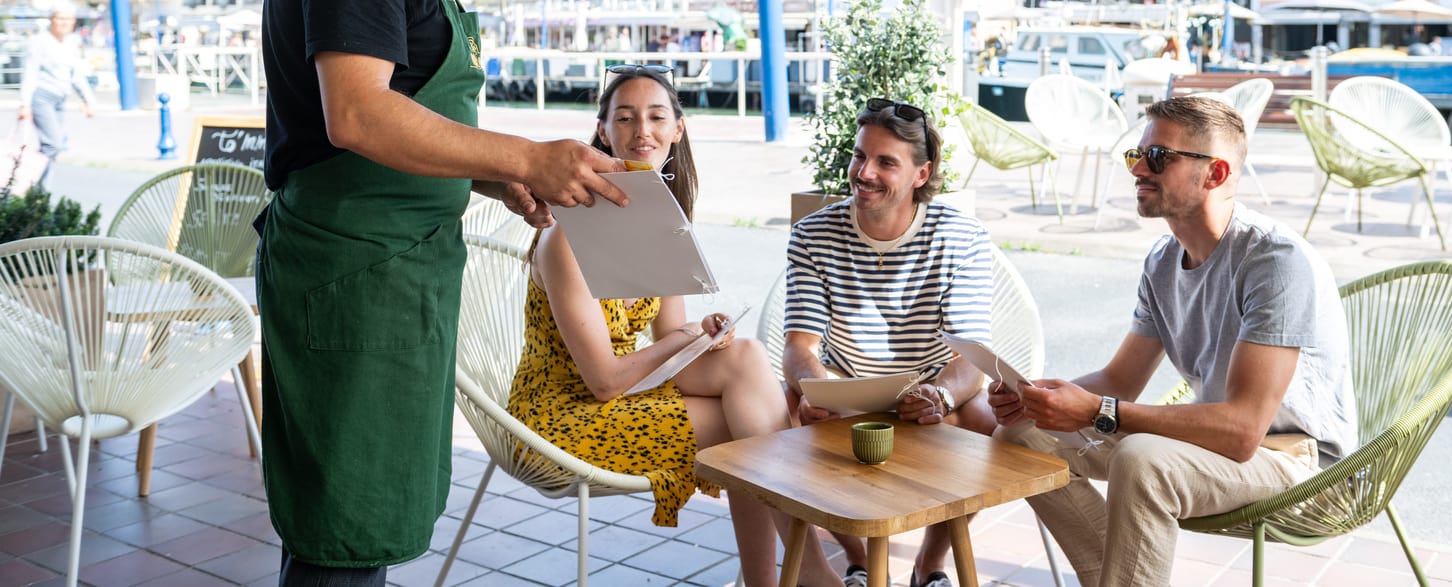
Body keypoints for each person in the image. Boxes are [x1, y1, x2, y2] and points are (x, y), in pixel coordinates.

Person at [256, 0, 629, 586]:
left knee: (362, 516)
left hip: (390, 274)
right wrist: (524, 154)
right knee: (342, 527)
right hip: (349, 274)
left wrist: (488, 179)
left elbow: (406, 116)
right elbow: (357, 113)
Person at [990, 95, 1356, 587]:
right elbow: (1120, 380)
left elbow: (1245, 429)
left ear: (1216, 173)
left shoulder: (1275, 262)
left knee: (1143, 461)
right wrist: (1039, 398)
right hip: (1215, 444)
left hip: (1296, 461)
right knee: (1022, 438)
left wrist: (1099, 410)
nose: (1138, 168)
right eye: (1135, 155)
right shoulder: (1164, 259)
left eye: (1158, 157)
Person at [509, 65, 844, 587]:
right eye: (625, 117)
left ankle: (791, 577)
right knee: (749, 427)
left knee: (746, 358)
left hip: (617, 397)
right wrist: (684, 340)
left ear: (677, 130)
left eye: (656, 116)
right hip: (558, 418)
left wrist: (704, 336)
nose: (643, 131)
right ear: (604, 132)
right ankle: (808, 575)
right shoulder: (568, 235)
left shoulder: (662, 222)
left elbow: (671, 338)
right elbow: (603, 381)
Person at [784, 99, 994, 587]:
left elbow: (970, 358)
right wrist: (818, 390)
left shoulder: (961, 237)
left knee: (986, 421)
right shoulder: (814, 234)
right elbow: (800, 347)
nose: (864, 172)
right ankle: (858, 560)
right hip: (845, 392)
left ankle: (930, 563)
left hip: (929, 393)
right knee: (782, 412)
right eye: (860, 156)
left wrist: (940, 395)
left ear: (922, 174)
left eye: (885, 162)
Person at [16, 4, 95, 190]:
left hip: (60, 99)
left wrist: (88, 100)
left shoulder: (70, 43)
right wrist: (24, 103)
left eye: (68, 19)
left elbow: (76, 75)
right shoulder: (39, 41)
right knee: (53, 145)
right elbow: (30, 72)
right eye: (60, 18)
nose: (64, 23)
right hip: (42, 97)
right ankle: (35, 190)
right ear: (51, 20)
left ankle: (40, 195)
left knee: (51, 149)